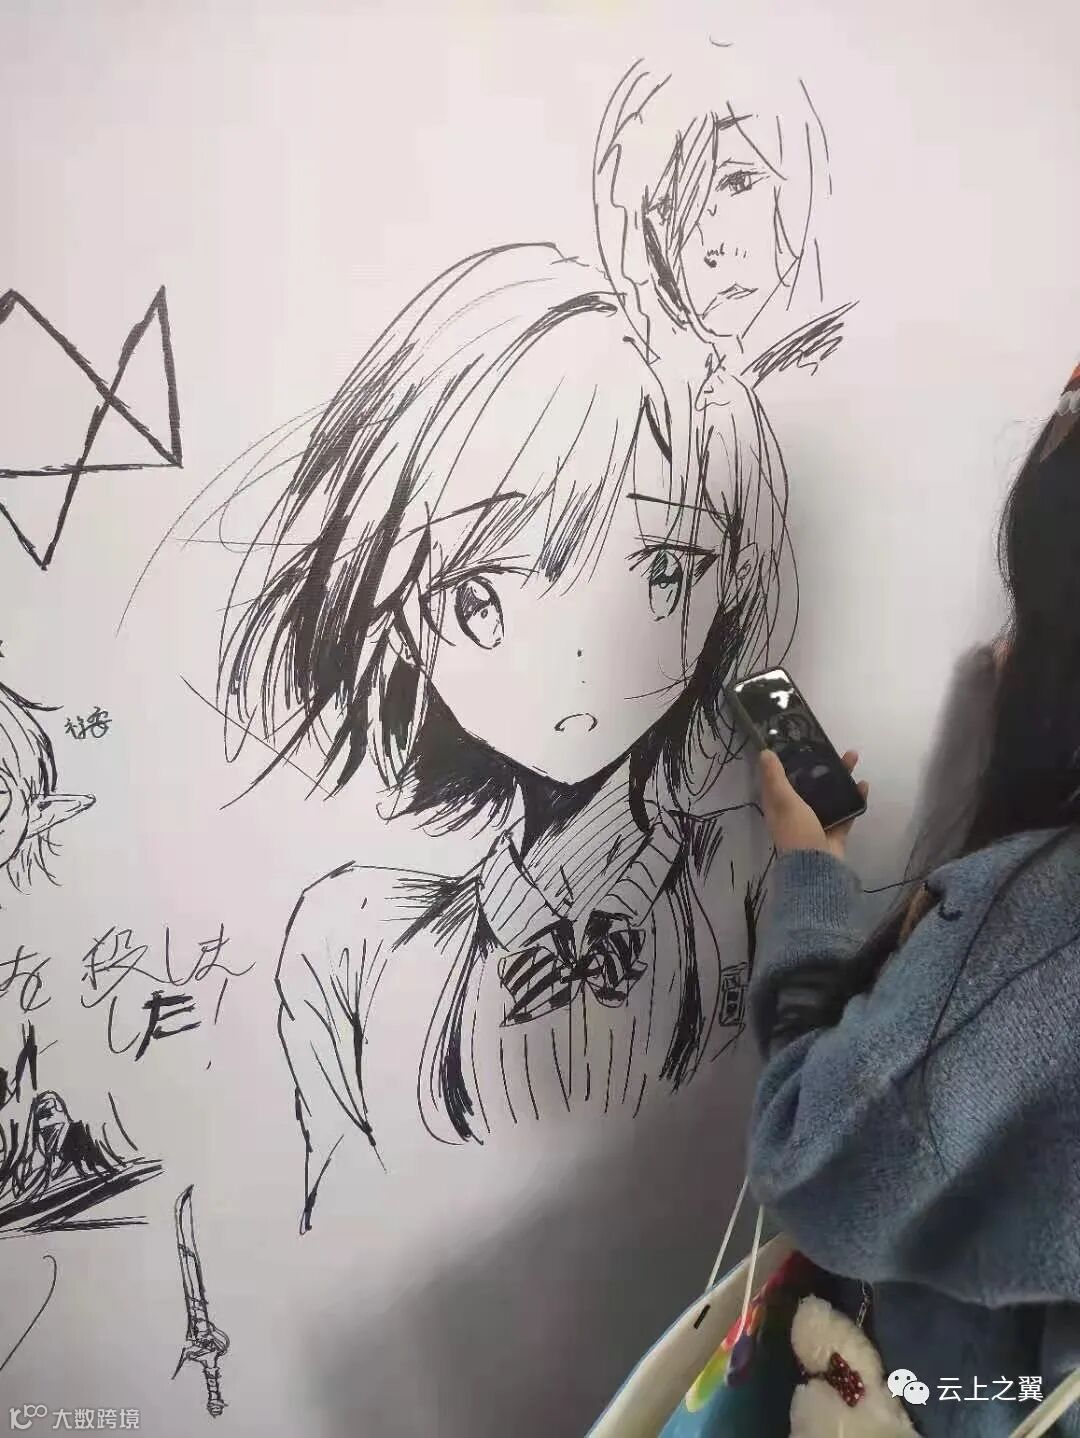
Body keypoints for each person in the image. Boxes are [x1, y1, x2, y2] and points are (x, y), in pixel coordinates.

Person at [216, 242, 792, 1229]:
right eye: (478, 593)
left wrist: (806, 762)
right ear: (401, 613)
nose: (575, 656)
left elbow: (811, 760)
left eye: (662, 568)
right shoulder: (352, 939)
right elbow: (334, 1216)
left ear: (726, 580)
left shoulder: (746, 860)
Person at [746, 359, 1080, 1436]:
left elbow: (814, 1154)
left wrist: (811, 875)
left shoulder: (1041, 929)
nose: (999, 645)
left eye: (1036, 607)